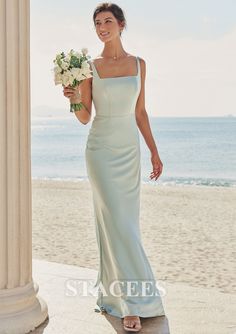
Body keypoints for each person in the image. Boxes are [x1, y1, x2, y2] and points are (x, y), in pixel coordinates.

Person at [63, 2, 165, 332]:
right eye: (97, 23)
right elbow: (84, 117)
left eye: (108, 21)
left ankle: (119, 295)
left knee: (125, 225)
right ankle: (131, 305)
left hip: (129, 152)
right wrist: (73, 96)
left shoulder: (139, 64)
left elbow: (140, 113)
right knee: (117, 224)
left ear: (121, 25)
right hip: (101, 151)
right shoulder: (90, 67)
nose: (102, 27)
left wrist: (153, 151)